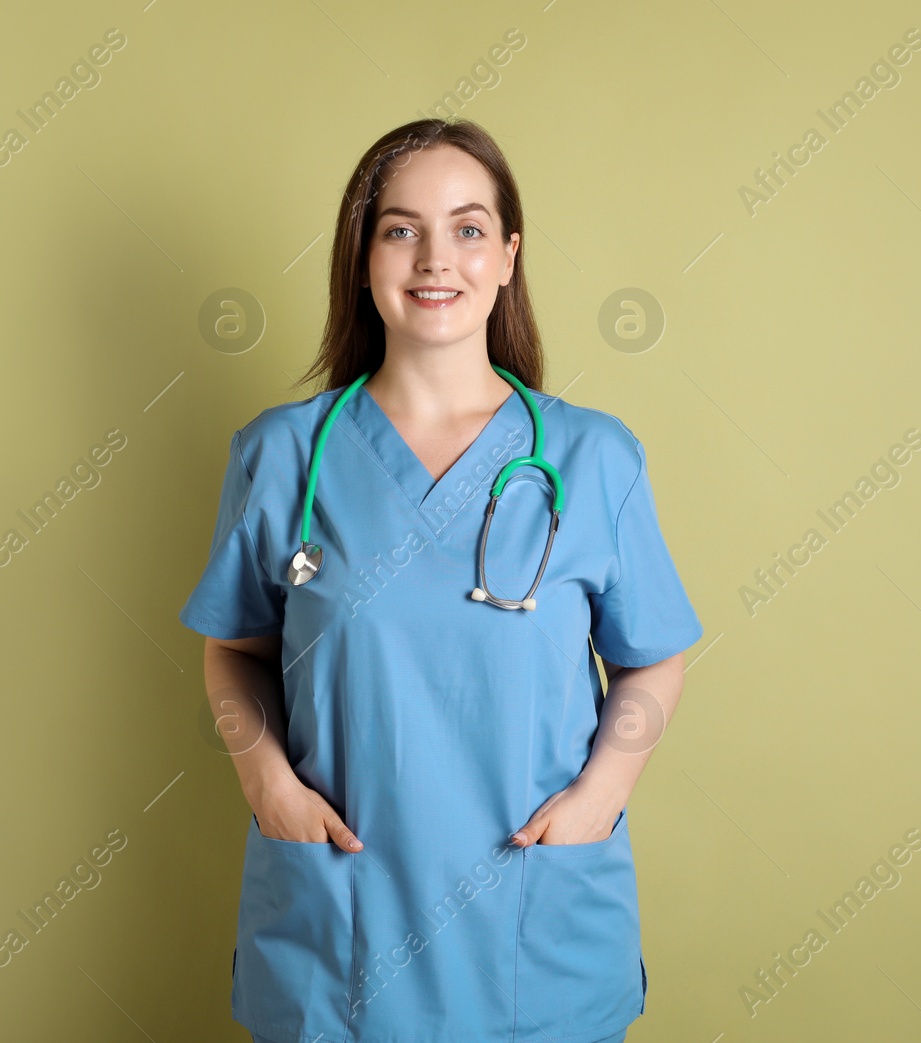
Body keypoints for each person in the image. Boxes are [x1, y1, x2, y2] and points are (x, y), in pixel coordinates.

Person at [179, 117, 703, 1043]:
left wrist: (599, 798)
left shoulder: (593, 458)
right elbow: (236, 653)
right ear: (364, 255)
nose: (435, 259)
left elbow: (655, 658)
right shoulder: (281, 457)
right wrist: (269, 787)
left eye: (467, 229)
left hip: (530, 924)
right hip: (337, 928)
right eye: (400, 228)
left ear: (508, 256)